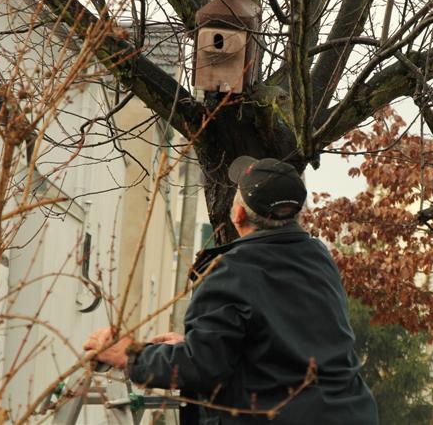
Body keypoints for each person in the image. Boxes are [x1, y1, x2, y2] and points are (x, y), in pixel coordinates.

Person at [83, 156, 378, 424]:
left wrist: (129, 354)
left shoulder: (230, 272)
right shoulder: (318, 258)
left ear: (237, 215)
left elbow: (201, 368)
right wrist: (201, 343)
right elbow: (285, 349)